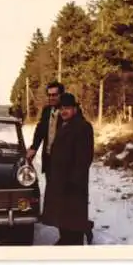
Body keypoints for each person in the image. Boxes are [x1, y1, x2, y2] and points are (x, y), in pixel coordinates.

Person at [41, 92, 94, 245]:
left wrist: (74, 180)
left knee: (73, 214)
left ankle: (74, 243)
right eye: (61, 108)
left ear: (75, 109)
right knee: (63, 213)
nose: (63, 111)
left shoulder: (82, 127)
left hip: (73, 182)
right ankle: (65, 239)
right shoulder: (64, 124)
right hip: (61, 178)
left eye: (67, 108)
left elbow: (84, 158)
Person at [26, 80, 65, 180]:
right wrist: (34, 148)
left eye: (55, 95)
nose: (51, 98)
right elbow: (40, 131)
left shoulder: (67, 112)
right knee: (50, 189)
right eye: (49, 95)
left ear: (61, 95)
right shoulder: (47, 110)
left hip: (64, 160)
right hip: (49, 158)